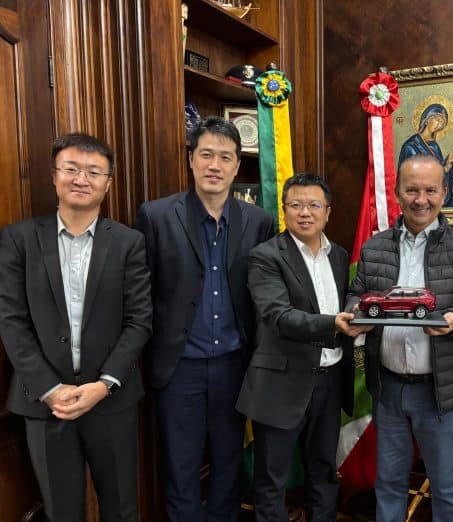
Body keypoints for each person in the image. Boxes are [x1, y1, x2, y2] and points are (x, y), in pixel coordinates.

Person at [0, 133, 152, 521]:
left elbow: (139, 320)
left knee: (122, 509)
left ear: (108, 182)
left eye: (93, 171)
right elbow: (11, 321)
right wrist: (50, 389)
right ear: (54, 176)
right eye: (71, 169)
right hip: (45, 403)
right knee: (61, 512)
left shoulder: (129, 243)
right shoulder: (18, 239)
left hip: (111, 400)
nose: (81, 179)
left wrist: (104, 384)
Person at [346, 154, 453, 521]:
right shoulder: (374, 247)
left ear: (445, 192)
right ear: (397, 193)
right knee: (388, 482)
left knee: (446, 485)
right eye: (412, 190)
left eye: (431, 190)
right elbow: (356, 294)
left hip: (441, 391)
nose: (421, 199)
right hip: (387, 389)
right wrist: (355, 313)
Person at [135, 116, 274, 521]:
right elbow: (142, 296)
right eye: (207, 154)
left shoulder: (259, 222)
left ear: (237, 166)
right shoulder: (157, 216)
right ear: (191, 160)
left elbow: (263, 297)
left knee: (229, 466)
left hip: (235, 364)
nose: (215, 165)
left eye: (225, 157)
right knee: (181, 467)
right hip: (179, 368)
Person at [237, 173, 371, 522]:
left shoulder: (338, 255)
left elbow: (348, 300)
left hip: (330, 380)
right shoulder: (266, 256)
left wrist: (356, 312)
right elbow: (277, 315)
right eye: (296, 205)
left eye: (314, 205)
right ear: (284, 210)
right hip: (280, 383)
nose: (305, 212)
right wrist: (334, 324)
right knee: (272, 479)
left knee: (324, 472)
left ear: (328, 212)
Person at [398, 103, 453, 208]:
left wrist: (448, 164)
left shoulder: (434, 146)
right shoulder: (411, 145)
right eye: (438, 120)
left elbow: (438, 172)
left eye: (442, 123)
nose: (439, 125)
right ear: (427, 119)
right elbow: (409, 176)